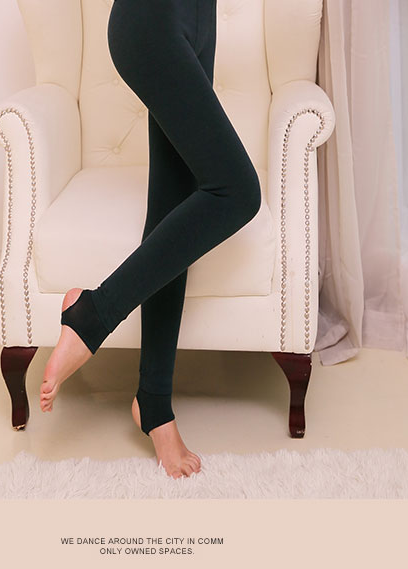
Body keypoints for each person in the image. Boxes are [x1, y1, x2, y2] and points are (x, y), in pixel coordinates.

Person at [39, 0, 261, 479]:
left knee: (172, 207)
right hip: (152, 20)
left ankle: (154, 404)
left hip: (198, 21)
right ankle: (92, 315)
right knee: (237, 192)